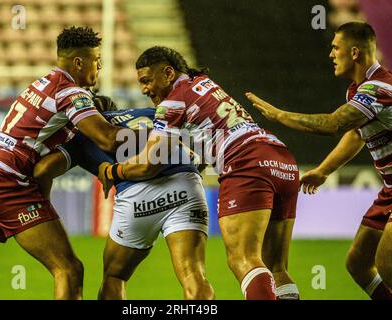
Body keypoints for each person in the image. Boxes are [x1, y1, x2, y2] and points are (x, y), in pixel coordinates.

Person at [97, 46, 301, 300]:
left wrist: (113, 171)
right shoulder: (203, 83)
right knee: (277, 268)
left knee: (244, 259)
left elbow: (151, 163)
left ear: (168, 73)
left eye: (147, 81)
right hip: (281, 158)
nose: (144, 90)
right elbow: (209, 135)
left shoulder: (173, 102)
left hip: (246, 162)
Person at [0, 26, 126, 300]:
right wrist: (159, 134)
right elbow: (107, 138)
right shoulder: (70, 93)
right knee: (69, 269)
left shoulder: (42, 83)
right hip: (8, 182)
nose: (100, 66)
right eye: (97, 59)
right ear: (78, 62)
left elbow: (43, 164)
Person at [246, 21, 392, 299]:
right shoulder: (358, 91)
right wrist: (324, 171)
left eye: (335, 47)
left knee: (388, 265)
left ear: (353, 53)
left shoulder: (378, 90)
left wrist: (280, 116)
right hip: (391, 189)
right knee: (359, 264)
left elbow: (333, 124)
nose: (330, 54)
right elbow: (356, 135)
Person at [33, 99, 215, 300]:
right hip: (186, 185)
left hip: (136, 194)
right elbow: (199, 146)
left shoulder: (82, 135)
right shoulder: (148, 112)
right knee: (194, 275)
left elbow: (42, 171)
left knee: (115, 276)